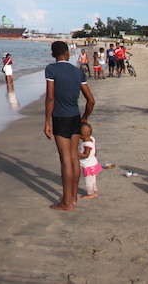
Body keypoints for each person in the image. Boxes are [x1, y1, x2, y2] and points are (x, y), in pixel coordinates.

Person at [44, 40, 96, 211]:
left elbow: (50, 97)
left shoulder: (51, 69)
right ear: (67, 53)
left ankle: (66, 203)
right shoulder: (77, 71)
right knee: (74, 159)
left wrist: (47, 121)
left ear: (53, 55)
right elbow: (90, 100)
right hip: (75, 117)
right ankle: (72, 198)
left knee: (65, 161)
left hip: (60, 118)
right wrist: (85, 118)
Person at [75, 121, 102, 199]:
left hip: (88, 165)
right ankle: (94, 191)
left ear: (82, 134)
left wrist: (76, 153)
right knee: (93, 179)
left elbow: (86, 155)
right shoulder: (92, 139)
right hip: (93, 162)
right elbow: (95, 150)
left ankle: (90, 193)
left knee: (88, 180)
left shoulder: (87, 144)